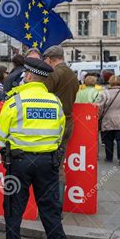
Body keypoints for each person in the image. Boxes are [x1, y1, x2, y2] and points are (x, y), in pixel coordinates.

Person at [0, 57, 82, 239]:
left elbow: (1, 134)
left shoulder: (14, 100)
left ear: (27, 76)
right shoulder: (54, 102)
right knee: (51, 213)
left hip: (19, 163)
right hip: (48, 164)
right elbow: (60, 132)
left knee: (13, 212)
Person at [42, 45, 79, 204]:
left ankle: (53, 205)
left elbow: (42, 95)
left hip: (53, 123)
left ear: (50, 59)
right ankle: (56, 205)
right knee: (58, 162)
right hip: (68, 121)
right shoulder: (72, 73)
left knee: (53, 166)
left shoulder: (54, 73)